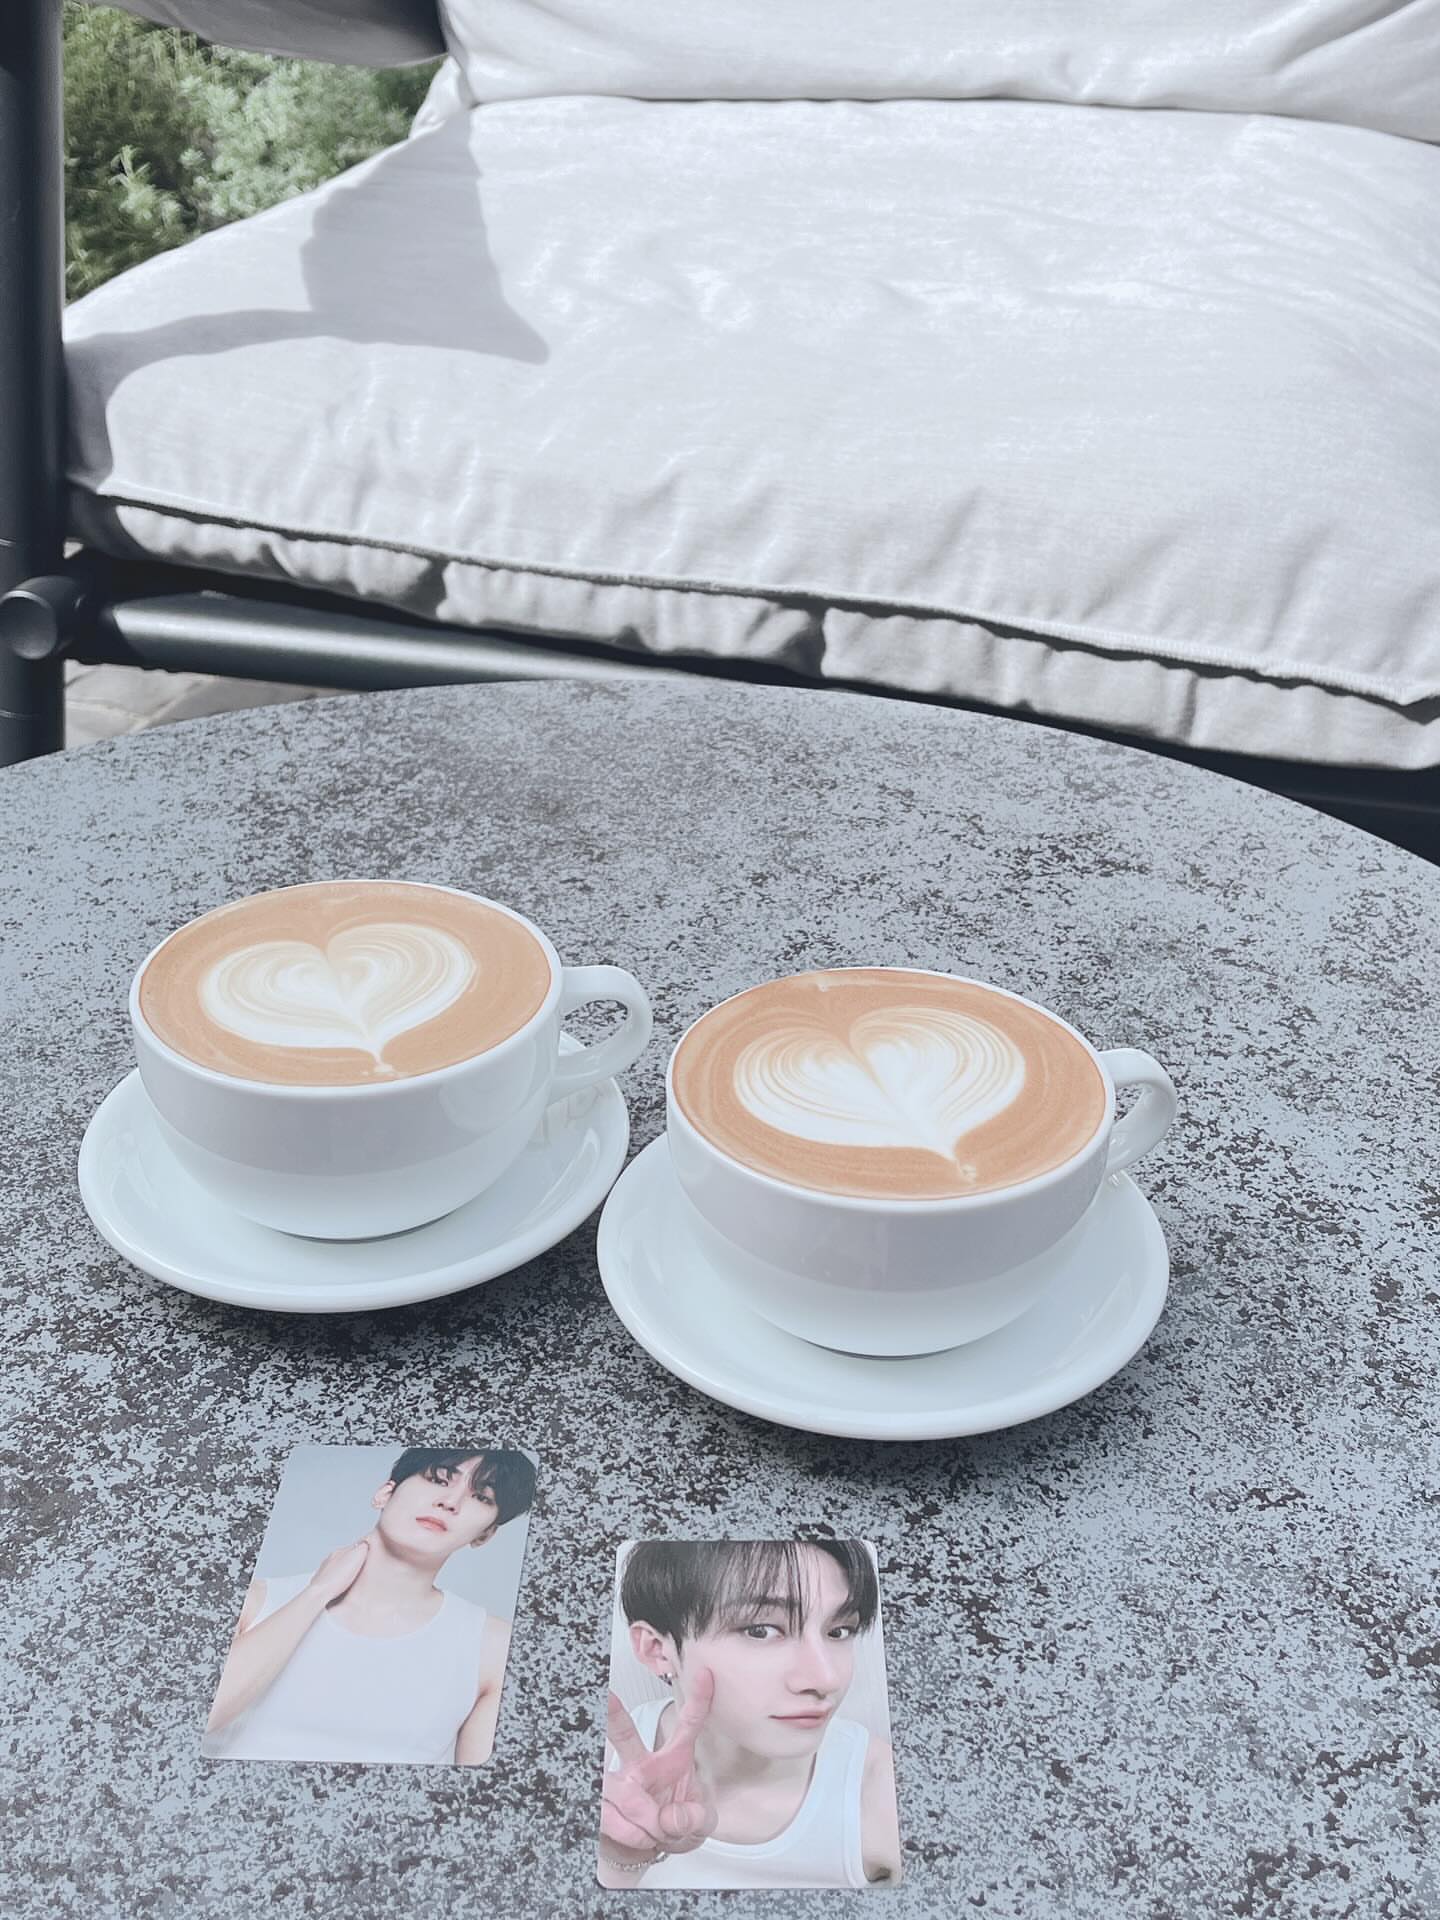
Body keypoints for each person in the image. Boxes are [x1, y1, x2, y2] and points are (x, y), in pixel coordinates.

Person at [203, 1446, 535, 1765]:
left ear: (485, 1535)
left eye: (481, 1497)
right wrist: (316, 1593)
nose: (450, 1502)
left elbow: (486, 1792)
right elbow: (195, 1719)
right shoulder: (252, 1602)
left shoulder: (494, 1647)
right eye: (439, 1479)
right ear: (385, 1494)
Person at [599, 1539, 902, 1888]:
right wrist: (618, 1862)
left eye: (838, 1631)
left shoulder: (882, 1791)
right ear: (658, 1650)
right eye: (761, 1630)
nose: (826, 1679)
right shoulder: (605, 1771)